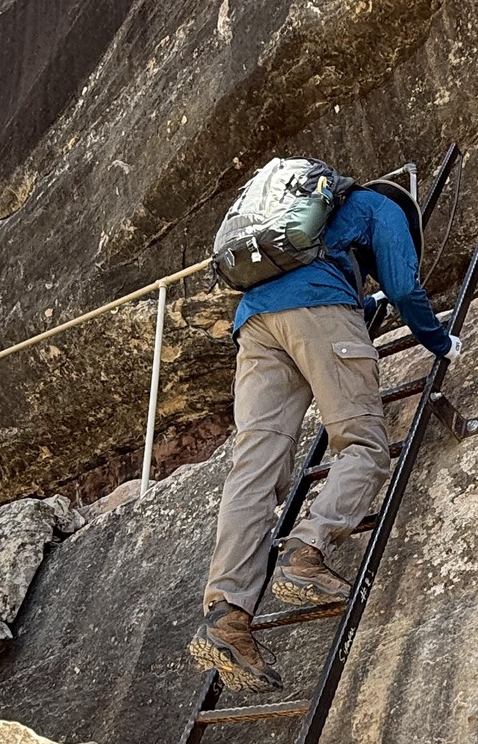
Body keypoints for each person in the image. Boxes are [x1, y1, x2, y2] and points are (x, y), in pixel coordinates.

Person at [189, 175, 460, 691]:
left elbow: (354, 287)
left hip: (255, 327)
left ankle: (227, 613)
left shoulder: (301, 219)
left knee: (255, 469)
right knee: (363, 444)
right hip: (318, 310)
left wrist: (362, 306)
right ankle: (307, 553)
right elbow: (403, 285)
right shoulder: (384, 206)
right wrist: (439, 341)